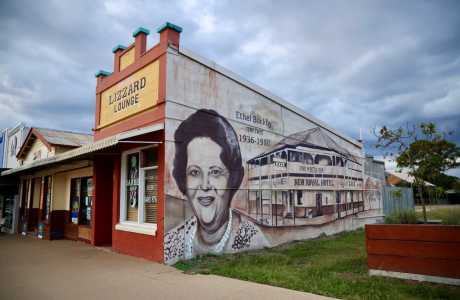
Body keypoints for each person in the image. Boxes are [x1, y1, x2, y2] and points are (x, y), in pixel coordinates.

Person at [164, 109, 268, 264]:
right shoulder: (170, 244)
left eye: (215, 172)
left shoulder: (254, 240)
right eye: (194, 172)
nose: (205, 185)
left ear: (232, 179)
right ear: (183, 180)